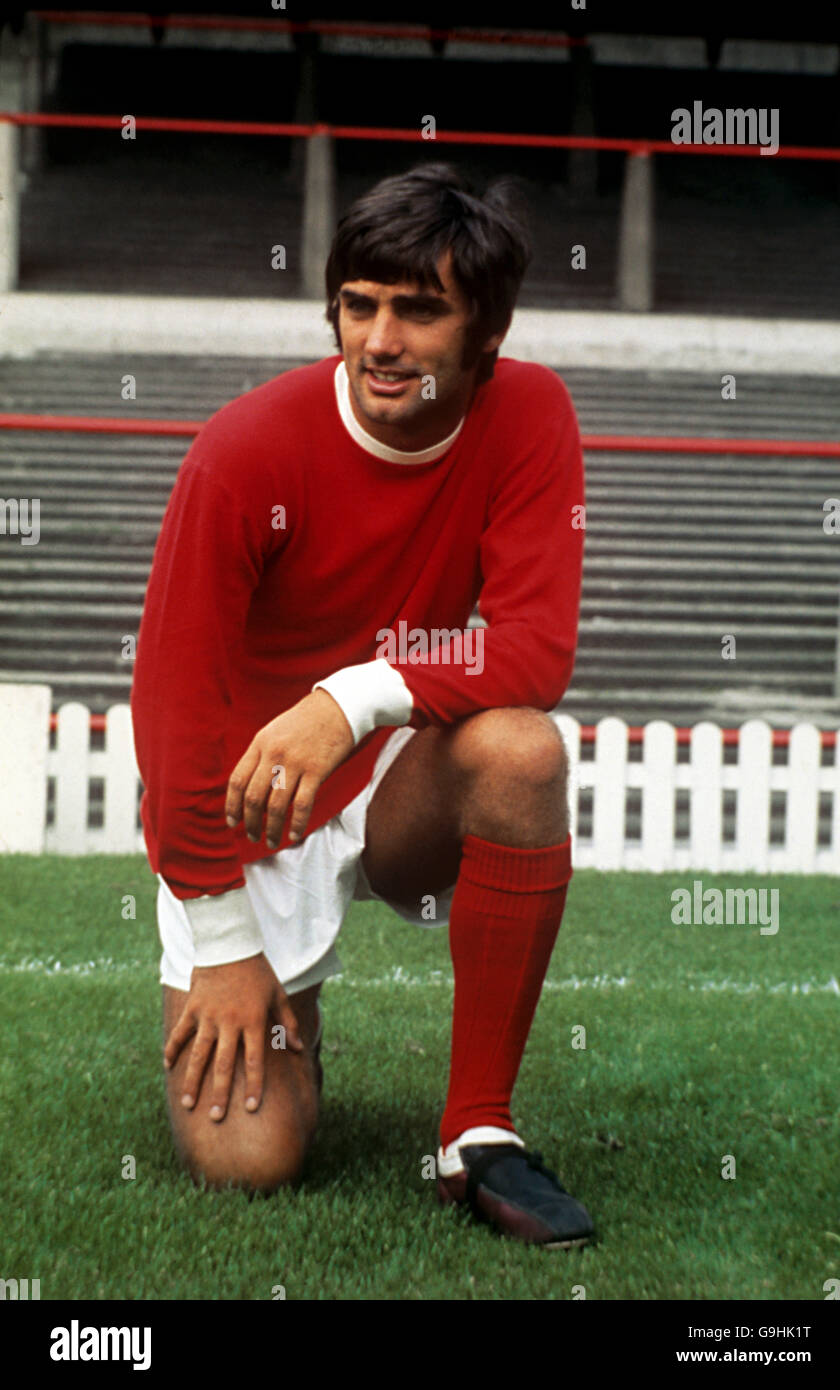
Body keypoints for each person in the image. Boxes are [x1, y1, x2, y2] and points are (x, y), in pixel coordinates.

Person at [131, 161, 593, 1247]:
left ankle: (477, 1131)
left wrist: (350, 697)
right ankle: (292, 1013)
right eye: (360, 304)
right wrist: (224, 938)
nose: (381, 339)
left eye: (420, 309)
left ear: (486, 328)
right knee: (252, 1162)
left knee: (523, 752)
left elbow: (536, 647)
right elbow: (173, 710)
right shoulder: (245, 450)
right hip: (254, 795)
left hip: (389, 769)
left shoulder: (529, 412)